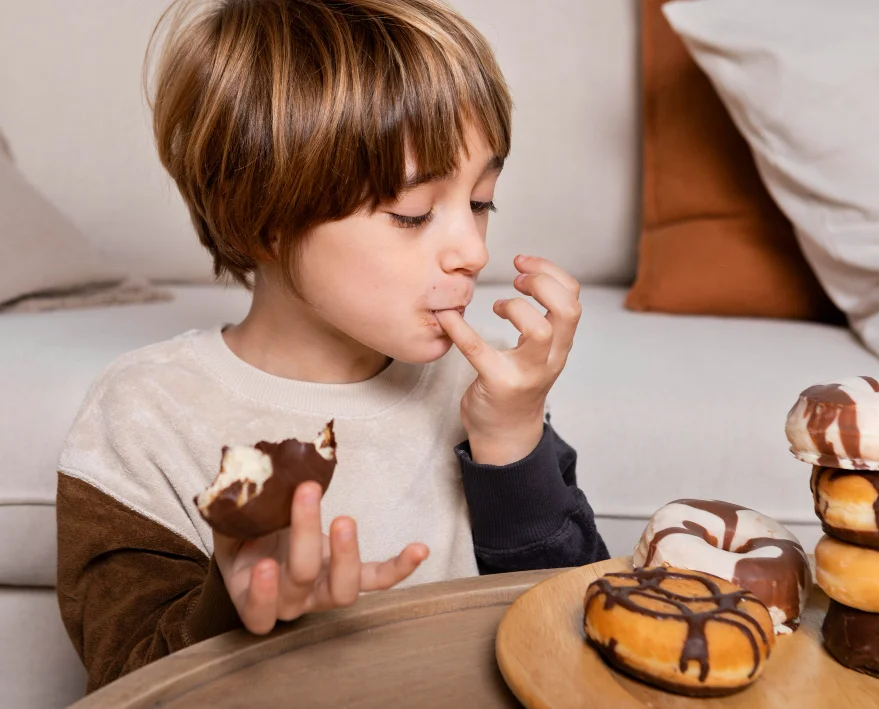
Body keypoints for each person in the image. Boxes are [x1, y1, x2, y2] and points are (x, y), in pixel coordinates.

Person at [55, 0, 609, 694]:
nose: (473, 250)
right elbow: (126, 682)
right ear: (264, 218)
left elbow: (574, 641)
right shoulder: (143, 418)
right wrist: (237, 606)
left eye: (480, 201)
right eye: (412, 213)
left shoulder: (483, 394)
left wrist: (513, 445)